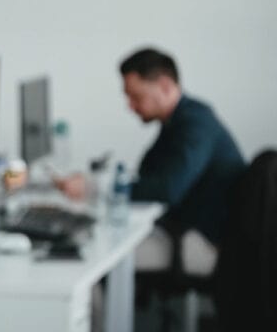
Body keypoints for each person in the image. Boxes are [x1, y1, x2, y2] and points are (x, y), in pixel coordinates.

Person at [56, 47, 245, 246]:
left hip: (203, 238)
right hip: (185, 226)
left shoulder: (196, 123)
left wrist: (93, 187)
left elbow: (168, 189)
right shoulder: (177, 119)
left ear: (165, 86)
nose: (130, 106)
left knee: (95, 246)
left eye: (136, 97)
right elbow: (148, 171)